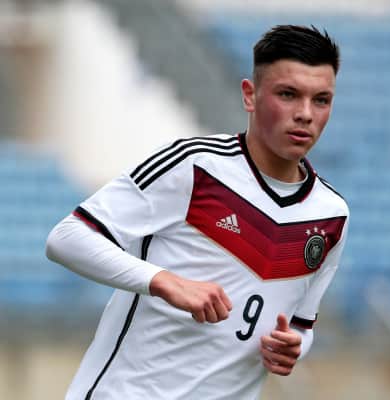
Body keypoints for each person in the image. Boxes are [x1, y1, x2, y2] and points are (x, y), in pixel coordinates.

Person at [46, 24, 349, 400]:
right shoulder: (194, 167)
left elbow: (302, 325)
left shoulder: (330, 216)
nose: (305, 114)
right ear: (250, 95)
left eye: (321, 100)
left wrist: (293, 347)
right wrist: (163, 281)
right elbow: (67, 238)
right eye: (288, 94)